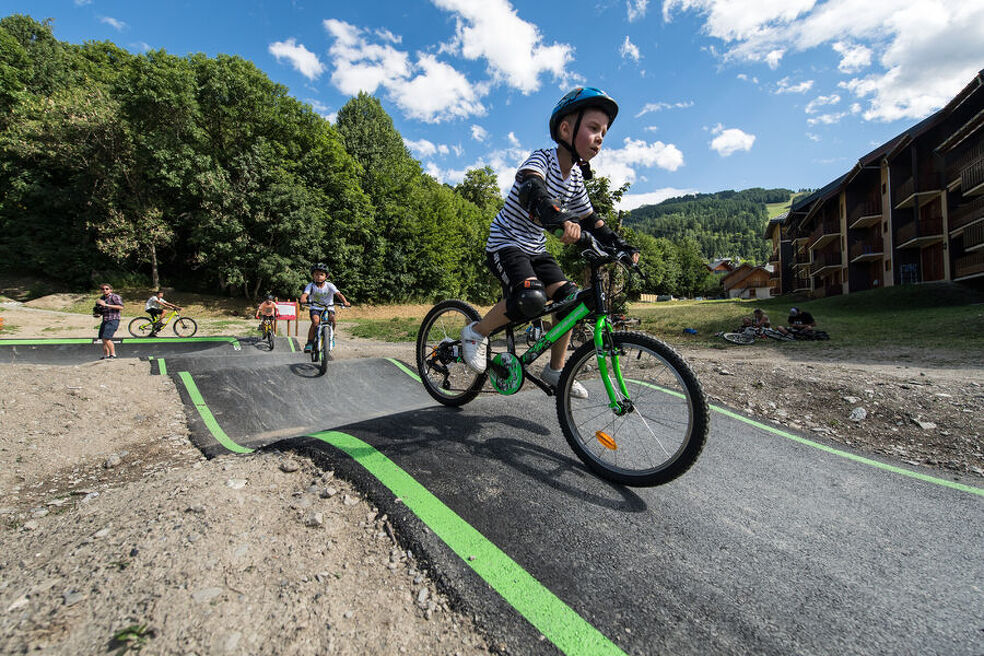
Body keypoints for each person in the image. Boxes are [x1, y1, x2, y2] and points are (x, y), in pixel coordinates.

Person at [459, 87, 639, 398]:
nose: (600, 138)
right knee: (531, 299)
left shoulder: (577, 181)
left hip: (535, 248)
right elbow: (532, 188)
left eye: (604, 133)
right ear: (566, 129)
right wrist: (557, 216)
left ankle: (555, 370)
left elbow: (592, 221)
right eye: (593, 128)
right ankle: (475, 332)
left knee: (571, 300)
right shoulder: (543, 158)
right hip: (506, 242)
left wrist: (620, 246)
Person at [300, 263, 350, 352]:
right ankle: (310, 343)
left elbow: (338, 294)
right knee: (315, 322)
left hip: (328, 307)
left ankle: (331, 335)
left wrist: (345, 302)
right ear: (313, 276)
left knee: (332, 319)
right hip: (315, 308)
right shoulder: (311, 285)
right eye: (316, 274)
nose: (319, 276)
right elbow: (305, 294)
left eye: (321, 274)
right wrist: (303, 299)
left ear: (326, 276)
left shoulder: (329, 285)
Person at [94, 283, 124, 360]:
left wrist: (106, 305)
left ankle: (113, 354)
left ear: (110, 290)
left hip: (113, 319)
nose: (105, 290)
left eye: (107, 289)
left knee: (106, 337)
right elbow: (101, 309)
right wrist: (98, 313)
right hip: (105, 320)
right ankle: (106, 355)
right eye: (103, 289)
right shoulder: (102, 298)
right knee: (102, 339)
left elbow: (121, 307)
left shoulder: (115, 297)